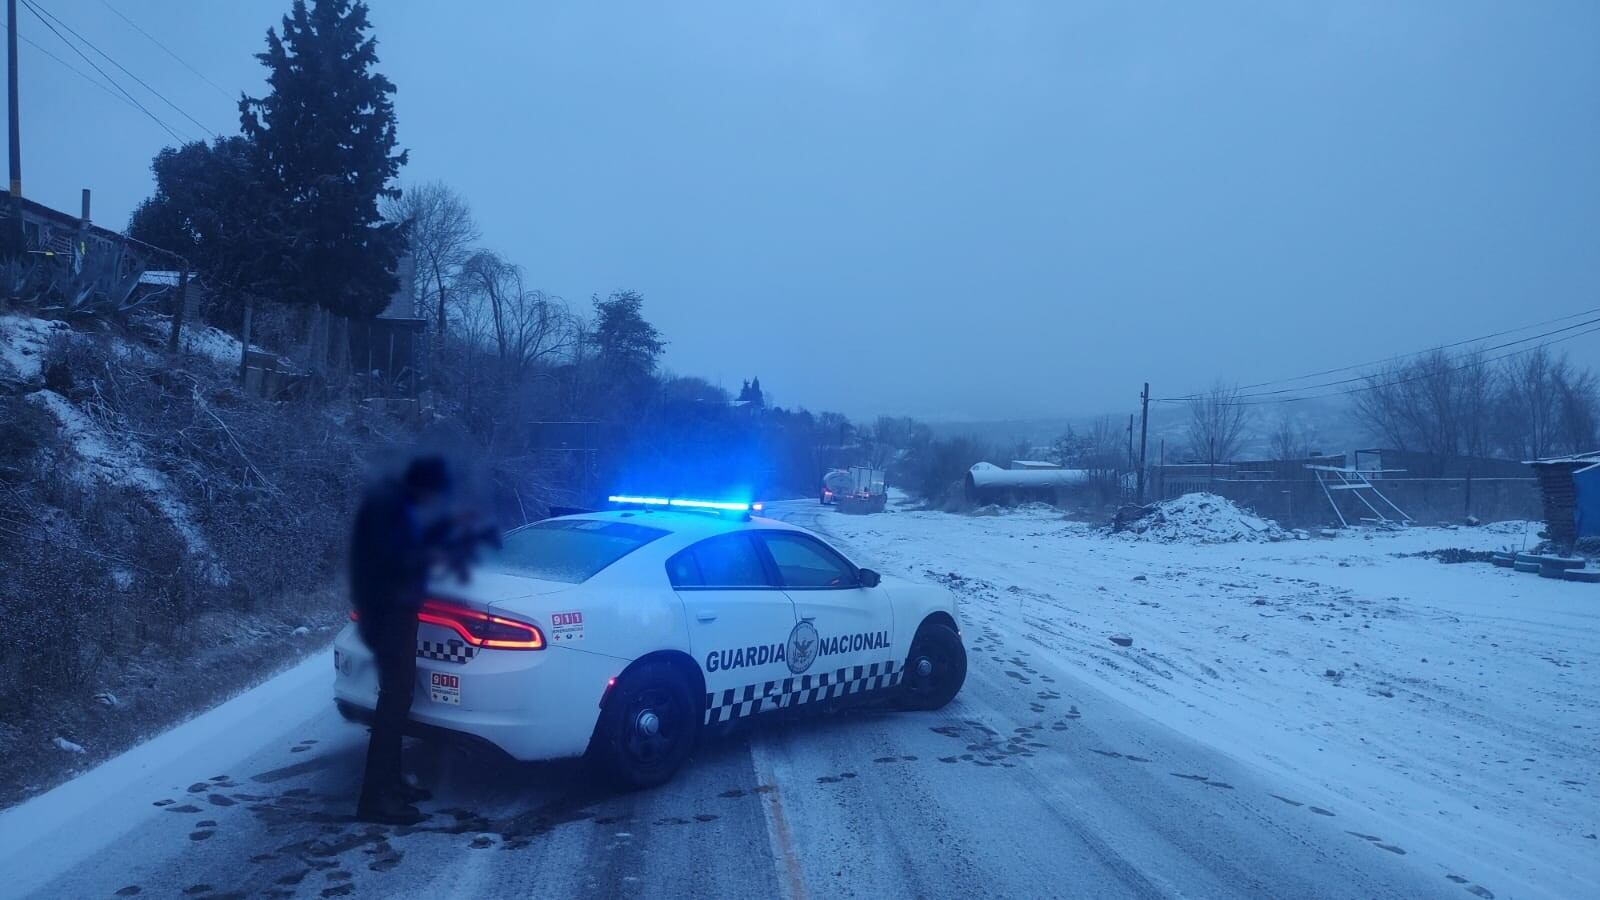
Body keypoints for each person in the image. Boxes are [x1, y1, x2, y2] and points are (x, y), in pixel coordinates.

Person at [349, 456, 450, 825]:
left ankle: (391, 784)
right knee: (393, 704)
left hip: (391, 614)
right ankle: (375, 800)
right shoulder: (390, 510)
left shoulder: (393, 504)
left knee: (396, 701)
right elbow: (391, 564)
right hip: (391, 615)